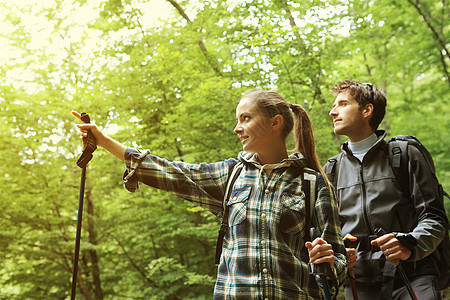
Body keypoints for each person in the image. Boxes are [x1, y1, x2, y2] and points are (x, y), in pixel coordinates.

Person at [73, 90, 347, 299]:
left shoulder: (312, 184)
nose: (237, 128)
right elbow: (172, 173)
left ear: (275, 123)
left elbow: (339, 265)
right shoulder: (231, 175)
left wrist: (328, 260)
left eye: (246, 118)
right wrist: (103, 140)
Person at [323, 79, 448, 299]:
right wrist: (339, 254)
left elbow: (435, 217)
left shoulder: (405, 154)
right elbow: (328, 232)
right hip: (357, 282)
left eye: (342, 104)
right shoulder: (331, 170)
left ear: (367, 110)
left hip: (413, 276)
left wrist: (410, 245)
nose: (333, 112)